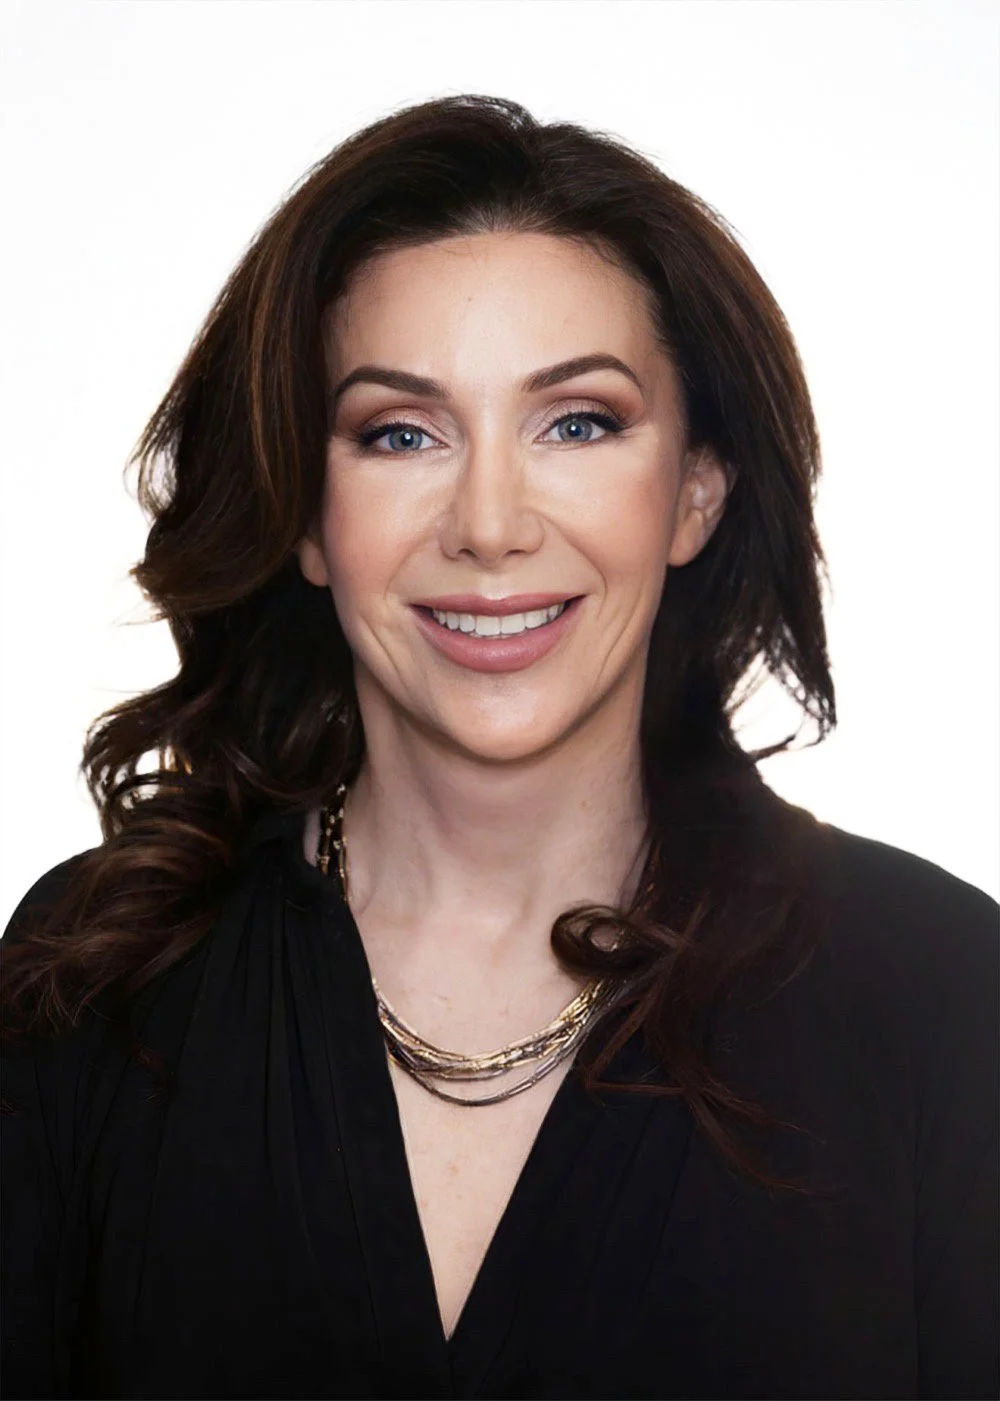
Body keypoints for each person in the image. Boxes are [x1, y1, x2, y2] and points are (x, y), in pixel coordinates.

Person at [1, 92, 997, 1401]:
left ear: (694, 492)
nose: (488, 523)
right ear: (305, 514)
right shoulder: (97, 980)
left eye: (577, 422)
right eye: (399, 433)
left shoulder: (942, 994)